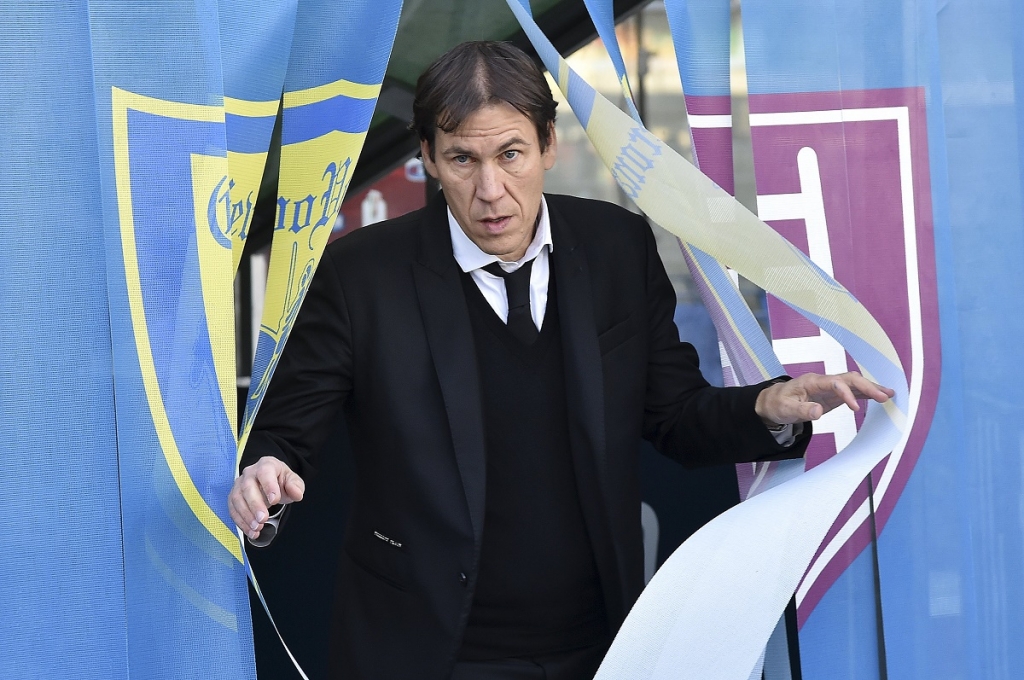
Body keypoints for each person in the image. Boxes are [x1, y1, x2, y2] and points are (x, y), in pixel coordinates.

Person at [228, 41, 894, 680]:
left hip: (599, 644)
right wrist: (266, 471)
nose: (490, 190)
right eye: (462, 160)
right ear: (427, 157)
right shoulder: (360, 276)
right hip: (426, 648)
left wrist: (767, 406)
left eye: (510, 154)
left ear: (549, 145)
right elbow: (286, 435)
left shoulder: (615, 246)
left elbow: (676, 417)